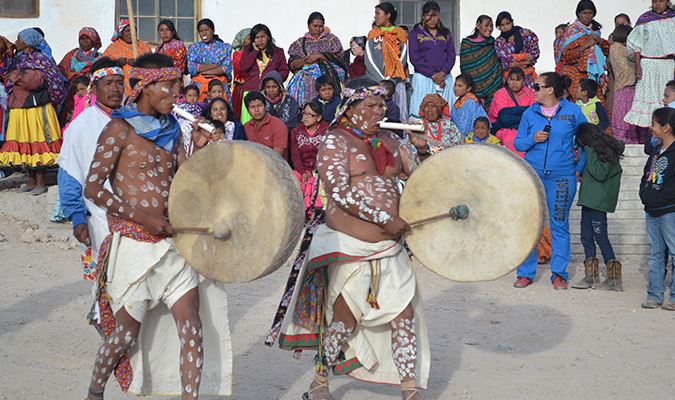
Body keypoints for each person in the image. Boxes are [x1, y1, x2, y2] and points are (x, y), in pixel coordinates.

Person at [81, 53, 232, 399]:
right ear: (146, 88)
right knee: (125, 334)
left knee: (192, 325)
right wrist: (143, 217)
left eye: (178, 88)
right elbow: (92, 187)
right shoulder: (118, 128)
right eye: (169, 87)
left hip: (173, 243)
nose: (175, 96)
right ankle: (94, 392)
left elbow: (183, 180)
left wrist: (199, 149)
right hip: (134, 244)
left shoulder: (173, 129)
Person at [275, 77, 430, 400]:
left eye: (382, 104)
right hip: (349, 248)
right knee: (344, 321)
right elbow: (339, 193)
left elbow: (424, 181)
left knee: (405, 317)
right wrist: (386, 219)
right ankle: (319, 381)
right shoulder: (335, 142)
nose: (380, 110)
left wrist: (422, 150)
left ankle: (410, 392)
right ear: (350, 108)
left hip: (390, 248)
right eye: (371, 105)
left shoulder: (391, 140)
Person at [513, 72, 588, 290]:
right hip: (533, 177)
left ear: (550, 90)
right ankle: (525, 273)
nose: (533, 90)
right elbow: (518, 144)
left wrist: (578, 168)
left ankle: (559, 274)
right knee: (529, 226)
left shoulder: (573, 111)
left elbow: (586, 140)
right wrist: (532, 138)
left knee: (559, 225)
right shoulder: (530, 112)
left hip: (562, 177)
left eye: (537, 86)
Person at [57, 57, 125, 281]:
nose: (115, 89)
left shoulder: (134, 120)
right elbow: (70, 173)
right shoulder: (80, 126)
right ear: (94, 88)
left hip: (135, 217)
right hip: (98, 218)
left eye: (119, 82)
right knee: (106, 289)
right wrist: (78, 219)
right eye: (108, 83)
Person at [0, 28, 66, 195]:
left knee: (40, 142)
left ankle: (41, 182)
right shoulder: (18, 58)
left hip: (38, 108)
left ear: (28, 42)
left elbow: (36, 82)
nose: (16, 41)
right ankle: (30, 180)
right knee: (25, 143)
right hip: (21, 107)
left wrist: (15, 77)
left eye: (19, 38)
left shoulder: (42, 59)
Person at [571, 123, 624, 291]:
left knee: (601, 236)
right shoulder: (594, 150)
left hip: (598, 201)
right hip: (588, 199)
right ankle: (590, 276)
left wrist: (589, 150)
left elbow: (599, 173)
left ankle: (614, 279)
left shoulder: (608, 151)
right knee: (586, 236)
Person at [640, 107, 675, 310]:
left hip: (669, 211)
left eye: (653, 124)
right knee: (655, 254)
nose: (650, 127)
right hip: (651, 210)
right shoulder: (656, 149)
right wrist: (644, 191)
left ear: (667, 127)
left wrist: (662, 197)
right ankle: (654, 295)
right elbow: (647, 172)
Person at [624, 1, 675, 129]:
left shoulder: (673, 19)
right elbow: (637, 43)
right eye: (654, 1)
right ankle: (652, 137)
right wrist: (637, 65)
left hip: (668, 64)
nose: (657, 4)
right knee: (650, 99)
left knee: (666, 98)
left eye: (661, 1)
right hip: (648, 65)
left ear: (668, 2)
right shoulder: (645, 20)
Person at [555, 0, 610, 104]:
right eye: (584, 13)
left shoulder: (594, 31)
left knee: (596, 105)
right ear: (578, 14)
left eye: (590, 13)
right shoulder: (571, 31)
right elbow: (566, 55)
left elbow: (605, 52)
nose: (587, 16)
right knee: (577, 104)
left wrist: (598, 41)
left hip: (593, 75)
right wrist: (586, 45)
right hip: (575, 74)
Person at [287, 11, 346, 106]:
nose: (318, 29)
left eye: (321, 26)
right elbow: (292, 64)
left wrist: (318, 56)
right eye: (315, 26)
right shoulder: (299, 43)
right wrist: (306, 60)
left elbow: (339, 59)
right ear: (308, 25)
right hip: (307, 85)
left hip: (327, 81)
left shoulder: (332, 40)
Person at [408, 1, 456, 117]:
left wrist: (443, 72)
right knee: (422, 110)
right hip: (424, 78)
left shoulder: (445, 33)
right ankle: (421, 135)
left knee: (445, 111)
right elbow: (414, 57)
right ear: (423, 16)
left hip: (444, 78)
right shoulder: (415, 33)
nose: (432, 19)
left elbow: (451, 54)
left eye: (435, 15)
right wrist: (433, 74)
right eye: (429, 15)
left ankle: (444, 134)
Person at [366, 2, 410, 121]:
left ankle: (398, 138)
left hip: (395, 82)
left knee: (397, 114)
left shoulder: (400, 33)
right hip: (375, 82)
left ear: (388, 15)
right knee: (375, 114)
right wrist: (382, 80)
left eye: (378, 13)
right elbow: (369, 59)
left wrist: (390, 79)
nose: (375, 17)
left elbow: (403, 58)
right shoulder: (373, 34)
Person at [240, 24, 289, 124]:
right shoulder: (248, 50)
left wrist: (274, 80)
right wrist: (254, 52)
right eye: (257, 37)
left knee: (267, 124)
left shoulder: (278, 52)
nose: (260, 40)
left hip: (270, 94)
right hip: (250, 92)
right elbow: (243, 67)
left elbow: (284, 71)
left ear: (268, 37)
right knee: (248, 125)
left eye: (262, 36)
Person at [289, 101, 329, 216]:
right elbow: (295, 155)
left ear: (319, 117)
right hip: (301, 169)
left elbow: (325, 156)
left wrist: (313, 172)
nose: (305, 117)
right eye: (304, 114)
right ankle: (296, 213)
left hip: (319, 171)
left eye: (310, 115)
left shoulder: (327, 132)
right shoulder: (297, 132)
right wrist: (302, 172)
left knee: (314, 182)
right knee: (292, 178)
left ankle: (312, 213)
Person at [57, 27, 102, 126]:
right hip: (71, 94)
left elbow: (101, 74)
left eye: (88, 38)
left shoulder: (100, 57)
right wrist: (70, 76)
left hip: (89, 94)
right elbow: (60, 69)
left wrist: (85, 78)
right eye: (82, 38)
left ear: (94, 40)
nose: (85, 41)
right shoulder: (72, 54)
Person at [610, 24, 646, 144]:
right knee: (624, 120)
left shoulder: (621, 49)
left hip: (632, 89)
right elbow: (628, 65)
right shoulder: (616, 48)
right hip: (625, 89)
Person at [460, 15, 503, 112]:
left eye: (491, 26)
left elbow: (497, 64)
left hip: (492, 87)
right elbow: (465, 68)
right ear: (478, 26)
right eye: (486, 25)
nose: (489, 29)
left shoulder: (493, 43)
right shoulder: (467, 44)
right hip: (474, 88)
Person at [489, 67, 535, 157]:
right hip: (504, 128)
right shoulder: (500, 94)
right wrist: (526, 110)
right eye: (512, 79)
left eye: (518, 80)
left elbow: (533, 114)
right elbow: (504, 118)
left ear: (524, 81)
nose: (514, 83)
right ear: (507, 80)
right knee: (509, 138)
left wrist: (514, 112)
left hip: (527, 127)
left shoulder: (530, 93)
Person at [102, 20, 153, 97]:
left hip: (141, 88)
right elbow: (102, 66)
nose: (131, 33)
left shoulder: (144, 48)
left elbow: (153, 66)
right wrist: (116, 63)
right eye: (127, 31)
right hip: (119, 90)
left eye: (133, 30)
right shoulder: (112, 49)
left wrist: (139, 62)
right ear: (121, 33)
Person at [187, 18, 233, 102]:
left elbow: (225, 69)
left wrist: (203, 71)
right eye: (201, 31)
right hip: (199, 87)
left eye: (207, 30)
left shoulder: (225, 47)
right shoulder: (193, 48)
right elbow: (192, 68)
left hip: (219, 88)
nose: (204, 33)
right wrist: (215, 66)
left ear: (213, 30)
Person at [494, 11, 540, 88]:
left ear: (512, 22)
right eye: (502, 25)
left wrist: (514, 59)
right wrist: (525, 58)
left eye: (507, 23)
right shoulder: (498, 42)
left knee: (531, 99)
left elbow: (534, 53)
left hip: (528, 77)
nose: (505, 27)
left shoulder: (526, 34)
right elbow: (504, 63)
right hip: (511, 80)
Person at [243, 91, 288, 158]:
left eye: (259, 105)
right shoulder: (245, 127)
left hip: (274, 166)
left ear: (266, 107)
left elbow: (277, 157)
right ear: (248, 111)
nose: (256, 110)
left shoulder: (279, 126)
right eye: (252, 107)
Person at [451, 73, 489, 139]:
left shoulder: (470, 102)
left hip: (469, 138)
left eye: (460, 86)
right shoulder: (459, 101)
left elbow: (465, 125)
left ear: (468, 88)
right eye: (455, 85)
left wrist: (461, 139)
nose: (456, 88)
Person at [231, 28, 252, 120]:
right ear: (242, 41)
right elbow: (242, 69)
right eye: (249, 38)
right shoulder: (238, 54)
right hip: (242, 89)